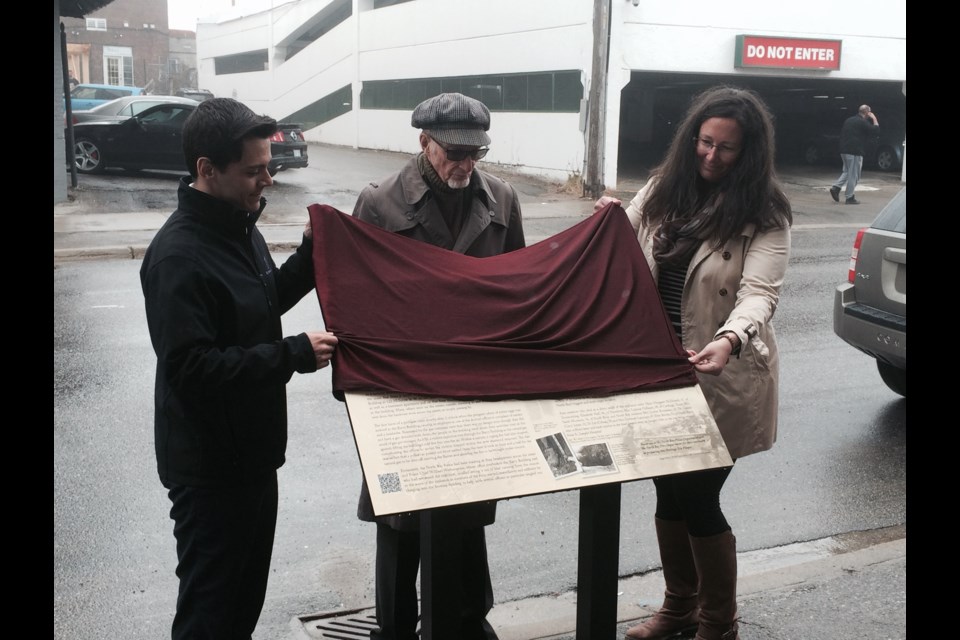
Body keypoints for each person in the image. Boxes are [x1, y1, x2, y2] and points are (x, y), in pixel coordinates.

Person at [595, 86, 792, 640]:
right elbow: (619, 239)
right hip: (659, 369)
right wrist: (609, 216)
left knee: (698, 494)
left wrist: (729, 339)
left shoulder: (765, 212)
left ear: (748, 153)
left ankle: (718, 622)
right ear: (691, 139)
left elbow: (760, 293)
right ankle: (679, 608)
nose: (712, 156)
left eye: (727, 148)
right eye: (705, 142)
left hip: (720, 373)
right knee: (666, 489)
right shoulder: (665, 187)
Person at [139, 97, 338, 639]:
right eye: (253, 170)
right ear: (207, 169)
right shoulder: (179, 256)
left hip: (252, 456)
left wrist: (311, 258)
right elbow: (192, 368)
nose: (266, 180)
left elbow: (260, 301)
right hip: (209, 471)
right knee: (211, 615)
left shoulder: (238, 226)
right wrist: (293, 354)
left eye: (267, 166)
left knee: (243, 605)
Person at [352, 92, 525, 640]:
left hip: (473, 384)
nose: (464, 165)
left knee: (467, 511)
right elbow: (357, 305)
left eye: (475, 153)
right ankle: (397, 628)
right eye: (453, 152)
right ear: (423, 142)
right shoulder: (378, 203)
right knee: (401, 518)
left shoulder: (502, 199)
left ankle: (466, 623)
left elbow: (519, 288)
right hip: (405, 388)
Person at [829, 104, 879, 205]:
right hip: (855, 152)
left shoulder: (849, 120)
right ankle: (849, 197)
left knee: (847, 171)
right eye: (869, 112)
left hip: (844, 150)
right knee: (854, 175)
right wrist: (874, 118)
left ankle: (836, 188)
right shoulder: (862, 122)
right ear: (866, 113)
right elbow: (875, 130)